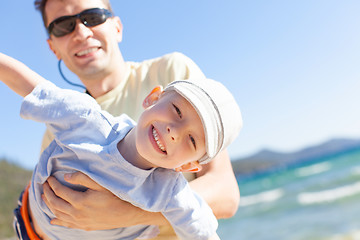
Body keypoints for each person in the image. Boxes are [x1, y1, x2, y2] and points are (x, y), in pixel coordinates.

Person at [32, 0, 241, 238]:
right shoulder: (57, 128)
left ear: (117, 27)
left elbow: (226, 195)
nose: (81, 31)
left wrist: (128, 212)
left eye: (93, 16)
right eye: (63, 25)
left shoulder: (171, 74)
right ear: (53, 48)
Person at [0, 52, 242, 239]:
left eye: (191, 140)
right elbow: (28, 84)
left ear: (188, 166)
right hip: (28, 224)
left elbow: (204, 231)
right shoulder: (87, 120)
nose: (174, 132)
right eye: (177, 110)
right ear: (153, 97)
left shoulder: (170, 192)